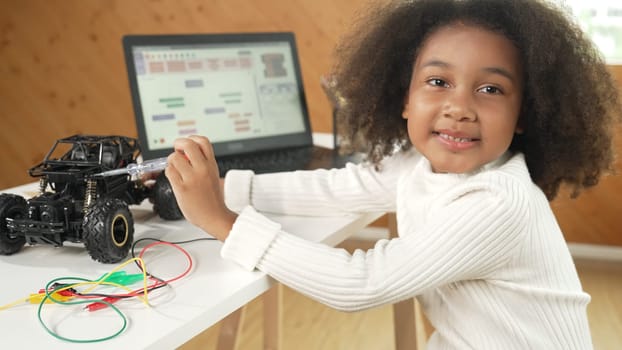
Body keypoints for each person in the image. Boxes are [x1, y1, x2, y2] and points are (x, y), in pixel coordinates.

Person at [164, 0, 622, 348]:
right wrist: (224, 188)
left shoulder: (499, 203)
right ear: (404, 98)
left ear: (525, 112)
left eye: (490, 89)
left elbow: (362, 282)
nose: (459, 107)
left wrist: (222, 222)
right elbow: (337, 188)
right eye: (438, 82)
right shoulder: (421, 164)